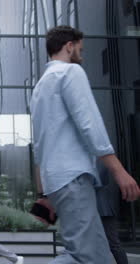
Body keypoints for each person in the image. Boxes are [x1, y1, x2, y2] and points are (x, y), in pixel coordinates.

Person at [30, 25, 140, 263]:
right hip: (73, 178)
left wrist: (43, 193)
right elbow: (90, 124)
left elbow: (38, 145)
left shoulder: (40, 88)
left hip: (56, 182)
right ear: (69, 46)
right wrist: (118, 171)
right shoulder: (70, 73)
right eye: (81, 49)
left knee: (102, 258)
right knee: (84, 256)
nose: (83, 54)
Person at [96, 162, 129, 264]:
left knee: (113, 243)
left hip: (103, 208)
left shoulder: (99, 159)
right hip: (100, 207)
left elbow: (98, 180)